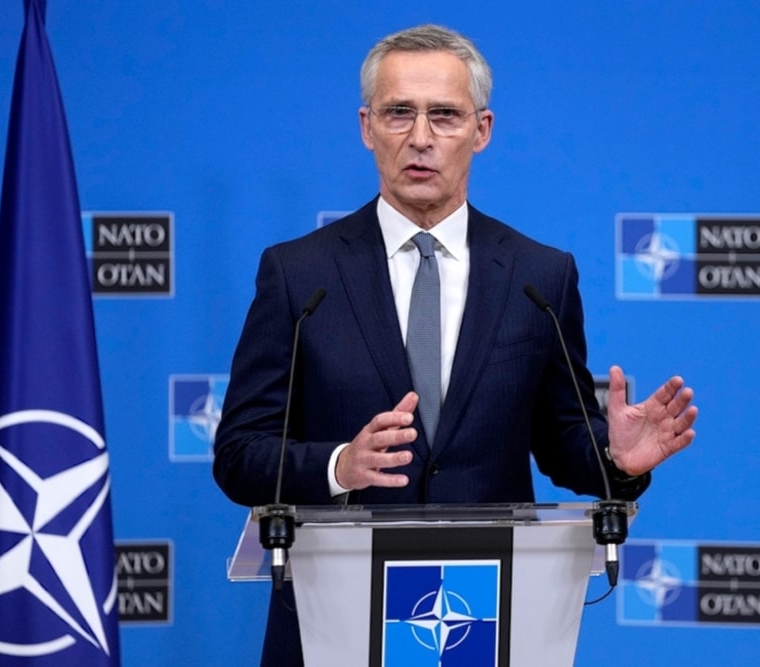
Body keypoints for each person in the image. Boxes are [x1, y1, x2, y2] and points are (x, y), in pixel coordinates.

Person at [213, 23, 697, 666]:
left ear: (482, 129)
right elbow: (240, 453)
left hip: (486, 620)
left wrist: (616, 460)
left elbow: (561, 442)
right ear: (366, 127)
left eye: (444, 115)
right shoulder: (297, 274)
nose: (420, 137)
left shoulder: (539, 275)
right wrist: (337, 467)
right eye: (398, 114)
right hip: (332, 624)